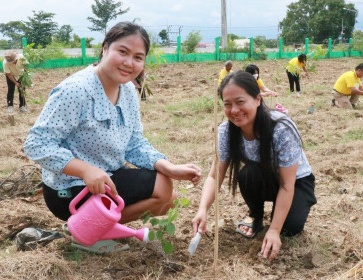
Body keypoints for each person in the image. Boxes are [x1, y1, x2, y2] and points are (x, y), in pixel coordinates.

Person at [24, 22, 202, 244]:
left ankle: (90, 229)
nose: (129, 63)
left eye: (138, 57)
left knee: (167, 198)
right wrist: (86, 170)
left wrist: (170, 167)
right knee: (162, 190)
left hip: (109, 176)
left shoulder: (127, 89)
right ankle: (85, 229)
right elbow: (36, 144)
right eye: (123, 52)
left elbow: (134, 143)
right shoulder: (76, 90)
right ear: (105, 48)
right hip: (69, 189)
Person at [191, 71, 316, 261]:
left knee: (289, 229)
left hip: (296, 183)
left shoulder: (281, 128)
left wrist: (274, 230)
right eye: (227, 104)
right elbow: (214, 176)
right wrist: (202, 209)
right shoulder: (226, 132)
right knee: (248, 173)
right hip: (263, 177)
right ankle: (255, 216)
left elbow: (286, 185)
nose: (234, 110)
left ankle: (279, 218)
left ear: (258, 99)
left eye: (240, 102)